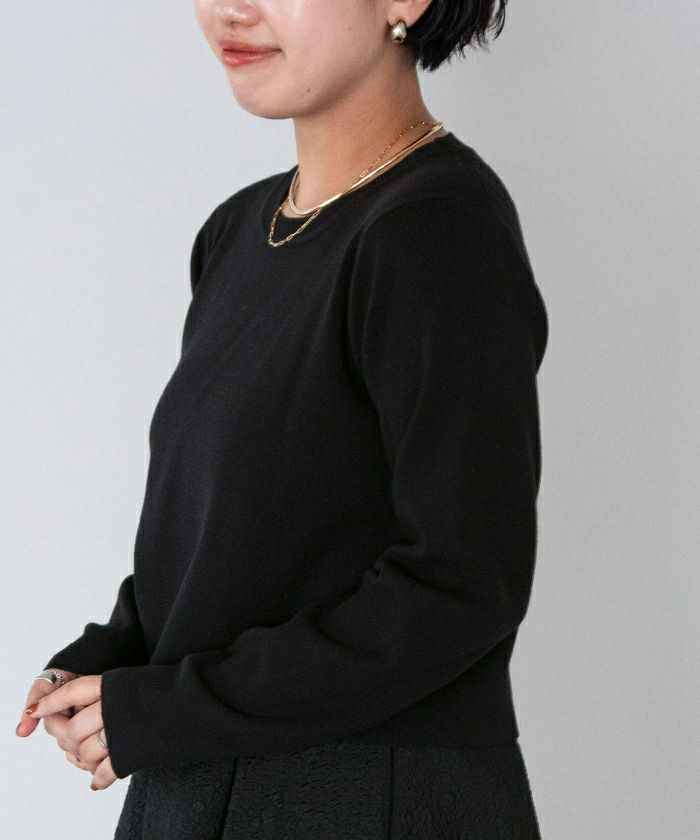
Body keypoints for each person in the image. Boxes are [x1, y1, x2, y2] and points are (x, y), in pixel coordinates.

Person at [17, 1, 548, 837]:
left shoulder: (434, 229)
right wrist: (114, 657)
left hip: (364, 791)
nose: (231, 9)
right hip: (196, 781)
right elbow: (232, 539)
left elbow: (462, 583)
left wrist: (169, 708)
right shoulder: (238, 231)